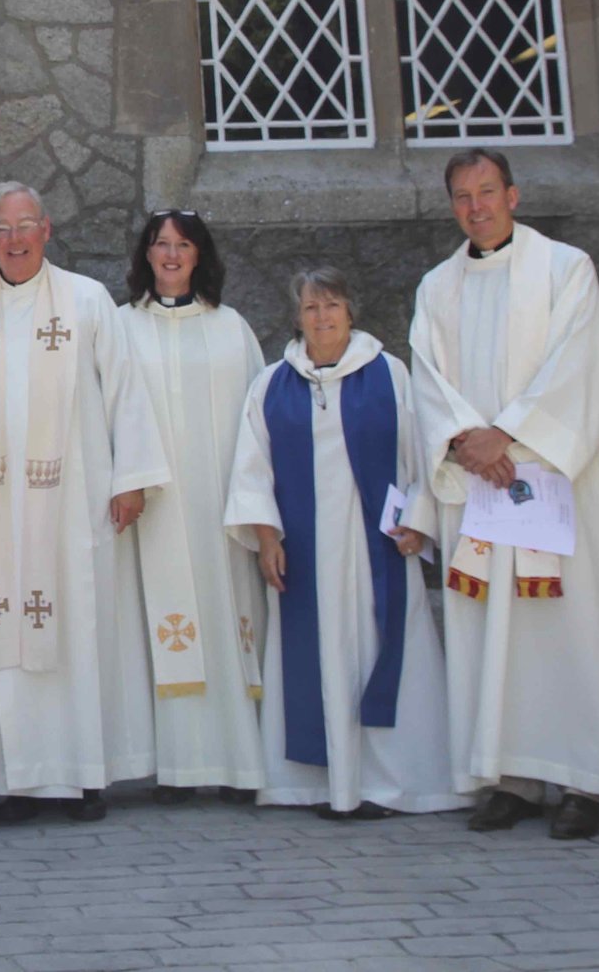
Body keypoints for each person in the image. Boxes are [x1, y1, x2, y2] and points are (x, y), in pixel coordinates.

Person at [408, 150, 599, 839]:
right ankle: (506, 778)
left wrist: (504, 434)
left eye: (486, 192)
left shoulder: (566, 270)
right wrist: (462, 439)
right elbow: (428, 377)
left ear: (512, 193)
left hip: (548, 484)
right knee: (489, 632)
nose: (475, 208)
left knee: (564, 631)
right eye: (461, 197)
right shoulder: (438, 286)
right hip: (480, 489)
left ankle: (582, 783)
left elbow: (581, 366)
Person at [0, 184, 169, 822]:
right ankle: (16, 777)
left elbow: (125, 389)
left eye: (25, 227)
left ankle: (81, 774)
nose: (14, 241)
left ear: (46, 230)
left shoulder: (87, 300)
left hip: (75, 496)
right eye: (1, 230)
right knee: (1, 626)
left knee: (76, 622)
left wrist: (133, 477)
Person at [225, 268, 464, 819]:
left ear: (351, 311)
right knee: (319, 658)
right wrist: (266, 537)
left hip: (376, 548)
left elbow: (421, 451)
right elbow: (251, 468)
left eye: (332, 305)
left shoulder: (391, 374)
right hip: (306, 554)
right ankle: (315, 783)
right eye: (310, 308)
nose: (322, 317)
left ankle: (392, 782)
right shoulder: (271, 384)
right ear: (296, 318)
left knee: (383, 654)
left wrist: (421, 518)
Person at [116, 210, 266, 804]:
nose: (172, 256)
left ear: (200, 254)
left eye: (183, 245)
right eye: (161, 245)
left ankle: (237, 761)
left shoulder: (233, 328)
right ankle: (174, 767)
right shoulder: (122, 327)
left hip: (220, 502)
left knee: (228, 615)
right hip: (153, 505)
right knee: (160, 620)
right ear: (145, 256)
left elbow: (259, 422)